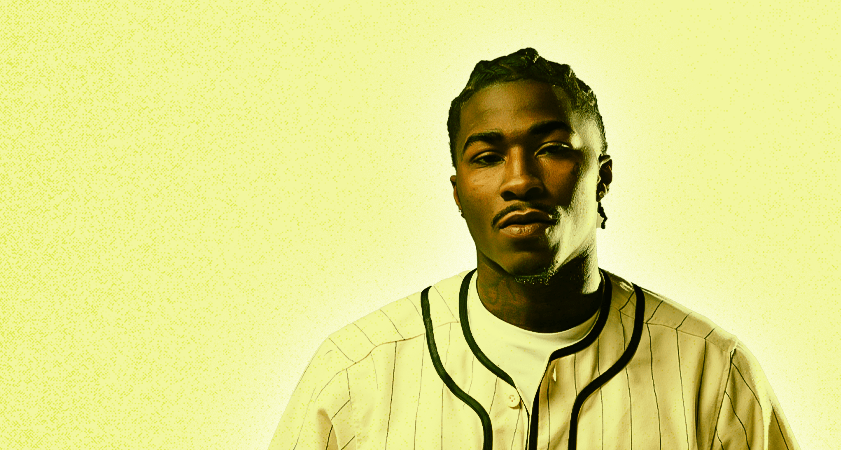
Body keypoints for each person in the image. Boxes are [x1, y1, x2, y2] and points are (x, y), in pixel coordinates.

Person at [269, 48, 799, 450]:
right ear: (458, 193)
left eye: (551, 149)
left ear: (602, 178)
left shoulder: (712, 370)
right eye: (487, 157)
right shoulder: (356, 370)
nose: (519, 180)